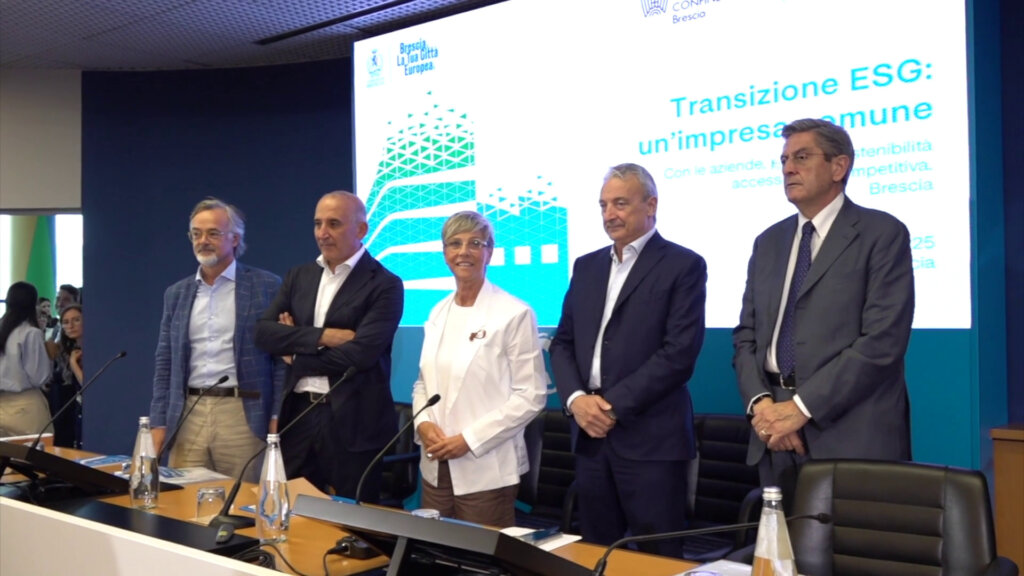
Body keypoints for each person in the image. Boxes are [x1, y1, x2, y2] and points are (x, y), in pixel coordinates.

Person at [733, 118, 915, 503]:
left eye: (801, 157)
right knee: (782, 540)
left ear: (839, 166)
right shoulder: (768, 242)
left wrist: (801, 408)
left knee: (853, 541)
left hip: (851, 434)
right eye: (784, 160)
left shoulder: (882, 233)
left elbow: (882, 341)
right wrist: (763, 406)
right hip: (773, 431)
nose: (788, 168)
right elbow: (747, 336)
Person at [550, 163, 707, 558]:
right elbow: (563, 343)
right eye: (603, 205)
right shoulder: (586, 266)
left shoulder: (683, 265)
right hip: (590, 438)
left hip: (651, 441)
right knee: (596, 554)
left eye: (620, 203)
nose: (609, 214)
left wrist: (609, 406)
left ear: (651, 205)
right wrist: (576, 401)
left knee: (657, 558)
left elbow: (679, 354)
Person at [254, 191, 403, 501]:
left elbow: (360, 355)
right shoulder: (299, 276)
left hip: (353, 422)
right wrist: (323, 336)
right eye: (317, 223)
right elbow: (264, 334)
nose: (322, 233)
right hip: (298, 414)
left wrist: (295, 355)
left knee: (352, 518)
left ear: (361, 229)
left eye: (333, 224)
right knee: (293, 508)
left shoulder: (384, 284)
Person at [411, 211, 547, 527]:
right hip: (435, 467)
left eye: (475, 243)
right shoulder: (437, 311)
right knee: (434, 551)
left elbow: (531, 396)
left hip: (487, 468)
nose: (464, 252)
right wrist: (423, 424)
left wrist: (469, 439)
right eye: (454, 243)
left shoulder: (514, 313)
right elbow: (422, 384)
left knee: (480, 554)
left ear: (490, 252)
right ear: (444, 252)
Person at [149, 198, 285, 479]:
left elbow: (281, 361)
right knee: (183, 498)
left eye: (213, 233)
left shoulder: (266, 286)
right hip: (188, 413)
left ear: (235, 238)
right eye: (196, 234)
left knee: (242, 500)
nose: (203, 241)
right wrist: (158, 421)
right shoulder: (176, 294)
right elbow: (165, 362)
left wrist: (277, 415)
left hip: (242, 414)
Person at [0, 282, 53, 437]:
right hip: (26, 407)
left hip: (2, 406)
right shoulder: (31, 333)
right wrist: (50, 356)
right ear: (32, 304)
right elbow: (39, 377)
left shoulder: (2, 329)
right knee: (34, 451)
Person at [51, 304, 84, 447]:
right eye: (65, 322)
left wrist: (74, 364)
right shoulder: (69, 350)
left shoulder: (92, 351)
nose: (70, 326)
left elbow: (88, 386)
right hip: (74, 411)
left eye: (76, 320)